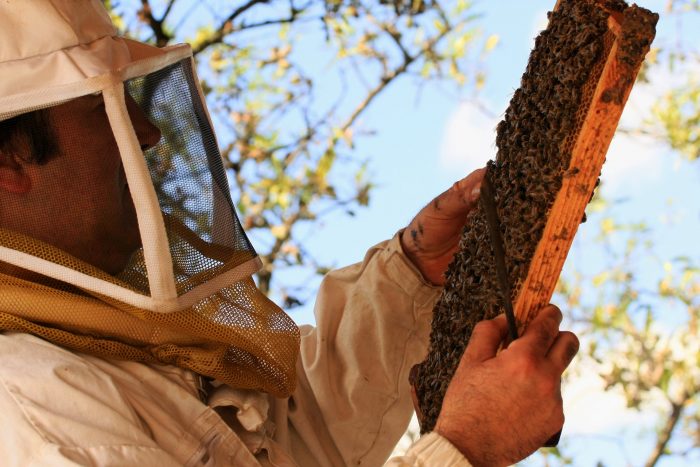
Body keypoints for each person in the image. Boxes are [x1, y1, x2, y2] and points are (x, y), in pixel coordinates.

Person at [0, 1, 578, 466]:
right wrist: (466, 448)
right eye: (108, 109)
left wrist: (409, 275)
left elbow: (294, 440)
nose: (149, 132)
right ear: (10, 164)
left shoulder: (103, 341)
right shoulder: (27, 410)